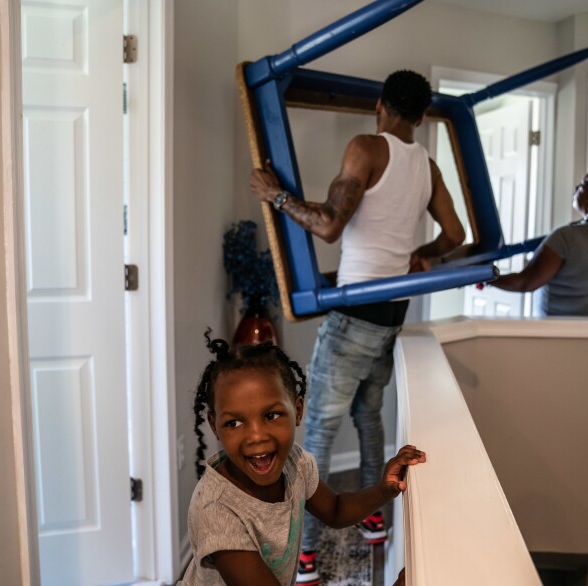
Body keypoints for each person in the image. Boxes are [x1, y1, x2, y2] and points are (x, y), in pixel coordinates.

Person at [250, 69, 465, 583]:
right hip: (390, 313)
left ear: (381, 107)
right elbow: (455, 234)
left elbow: (327, 225)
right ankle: (374, 523)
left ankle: (303, 556)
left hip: (354, 319)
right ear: (418, 116)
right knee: (369, 421)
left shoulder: (367, 148)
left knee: (318, 432)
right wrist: (419, 253)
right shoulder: (427, 166)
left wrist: (274, 195)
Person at [178, 331, 423, 586]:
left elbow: (336, 510)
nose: (256, 436)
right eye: (234, 422)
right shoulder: (216, 511)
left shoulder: (295, 462)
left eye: (271, 416)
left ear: (297, 410)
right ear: (215, 426)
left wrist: (384, 490)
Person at [486, 158, 588, 317]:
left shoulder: (566, 238)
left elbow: (525, 282)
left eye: (582, 185)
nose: (575, 188)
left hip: (560, 334)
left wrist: (487, 278)